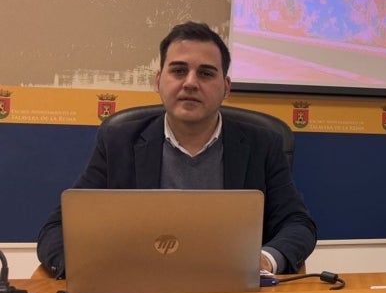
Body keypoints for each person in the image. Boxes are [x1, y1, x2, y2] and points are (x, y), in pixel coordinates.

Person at [37, 21, 317, 278]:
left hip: (230, 291)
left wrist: (265, 260)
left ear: (226, 87)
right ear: (159, 81)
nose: (191, 82)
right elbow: (57, 229)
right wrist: (89, 270)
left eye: (206, 73)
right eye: (179, 70)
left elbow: (298, 224)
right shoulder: (119, 141)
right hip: (139, 289)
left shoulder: (262, 145)